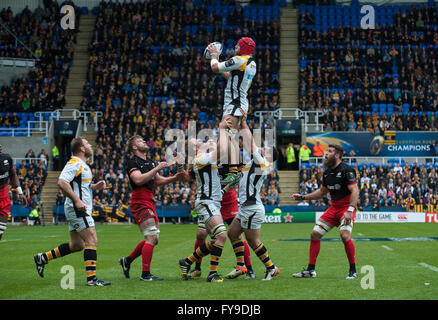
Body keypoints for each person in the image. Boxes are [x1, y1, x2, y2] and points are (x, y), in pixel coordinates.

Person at [33, 137, 110, 286]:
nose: (90, 146)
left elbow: (79, 185)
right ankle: (92, 279)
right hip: (77, 208)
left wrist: (94, 186)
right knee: (92, 239)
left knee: (77, 245)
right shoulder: (74, 163)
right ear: (81, 148)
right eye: (87, 143)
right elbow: (62, 181)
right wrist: (77, 200)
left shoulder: (82, 164)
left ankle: (42, 258)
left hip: (76, 207)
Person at [118, 135, 184, 281]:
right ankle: (145, 275)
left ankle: (127, 261)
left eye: (144, 139)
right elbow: (138, 179)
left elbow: (158, 181)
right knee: (151, 237)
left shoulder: (149, 161)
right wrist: (158, 168)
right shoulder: (132, 162)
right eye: (140, 141)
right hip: (140, 200)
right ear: (134, 147)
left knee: (154, 238)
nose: (144, 141)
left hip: (149, 200)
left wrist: (175, 177)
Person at [226, 109, 280, 280]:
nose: (263, 149)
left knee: (253, 241)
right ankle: (241, 266)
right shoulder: (252, 163)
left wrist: (243, 123)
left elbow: (250, 143)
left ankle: (271, 268)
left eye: (266, 149)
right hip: (245, 209)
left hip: (252, 209)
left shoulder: (262, 163)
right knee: (232, 234)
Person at [292, 144, 359, 279]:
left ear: (337, 155)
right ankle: (311, 270)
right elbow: (322, 193)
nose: (326, 154)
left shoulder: (347, 170)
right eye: (326, 151)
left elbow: (355, 190)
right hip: (334, 208)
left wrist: (350, 210)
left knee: (345, 235)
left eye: (329, 151)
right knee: (315, 234)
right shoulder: (327, 172)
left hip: (346, 208)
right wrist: (304, 197)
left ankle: (353, 270)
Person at [188, 159, 255, 280]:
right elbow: (190, 176)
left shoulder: (231, 157)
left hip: (228, 201)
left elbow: (238, 177)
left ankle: (248, 269)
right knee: (201, 234)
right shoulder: (205, 157)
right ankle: (197, 268)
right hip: (210, 201)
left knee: (237, 235)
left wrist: (223, 190)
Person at [208, 37, 257, 187]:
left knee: (227, 134)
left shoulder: (239, 60)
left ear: (241, 48)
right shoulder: (251, 63)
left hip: (234, 104)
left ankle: (234, 171)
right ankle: (232, 168)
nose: (234, 47)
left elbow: (215, 68)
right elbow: (232, 78)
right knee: (228, 138)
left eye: (236, 46)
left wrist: (214, 55)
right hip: (238, 103)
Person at [177, 138, 228, 283]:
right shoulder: (200, 158)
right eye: (197, 141)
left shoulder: (203, 159)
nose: (201, 140)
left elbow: (188, 177)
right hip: (207, 202)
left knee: (214, 241)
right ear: (195, 148)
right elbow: (221, 151)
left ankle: (187, 261)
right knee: (222, 236)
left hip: (212, 202)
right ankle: (212, 274)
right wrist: (225, 130)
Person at [0, 144, 28, 240]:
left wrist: (20, 192)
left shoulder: (6, 159)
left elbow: (13, 175)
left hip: (3, 199)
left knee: (0, 230)